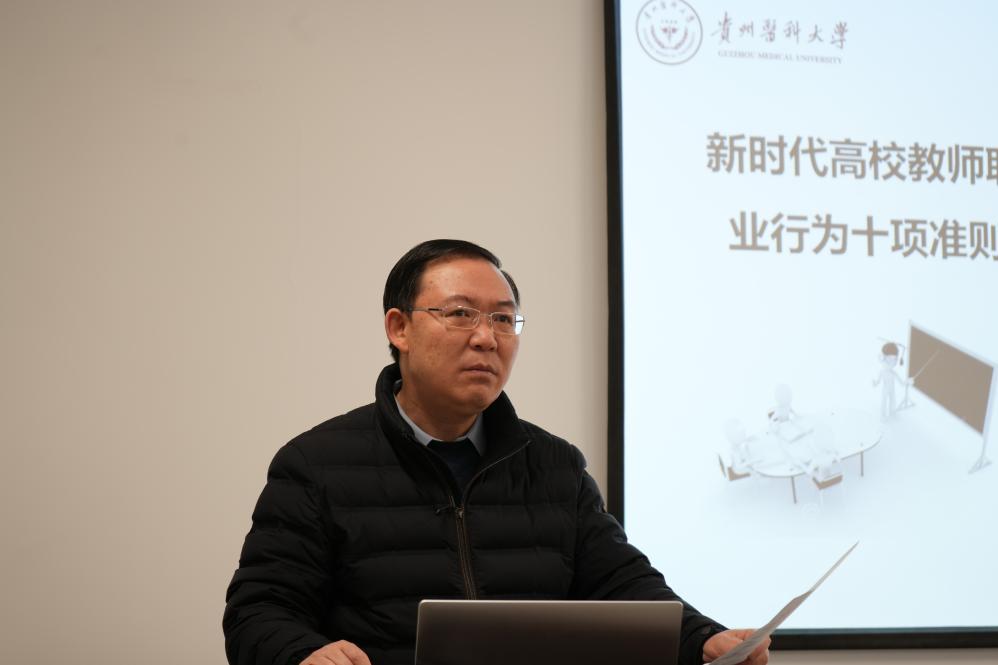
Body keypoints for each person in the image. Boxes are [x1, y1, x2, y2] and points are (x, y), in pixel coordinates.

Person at [223, 239, 770, 665]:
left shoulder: (554, 465)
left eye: (504, 319)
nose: (487, 338)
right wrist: (302, 653)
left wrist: (702, 638)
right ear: (399, 328)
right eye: (461, 314)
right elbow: (260, 611)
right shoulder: (317, 465)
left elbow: (622, 584)